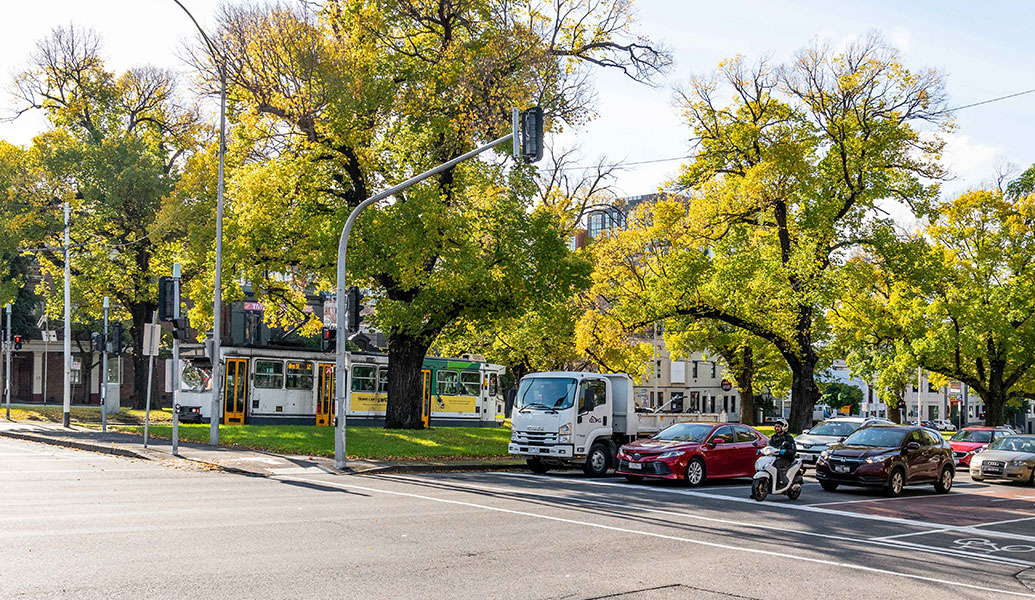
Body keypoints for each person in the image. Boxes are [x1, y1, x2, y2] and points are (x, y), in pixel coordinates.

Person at [768, 418, 796, 489]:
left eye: (779, 427)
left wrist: (785, 451)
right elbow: (768, 445)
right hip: (774, 456)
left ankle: (782, 481)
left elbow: (793, 450)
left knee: (776, 463)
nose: (777, 428)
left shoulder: (788, 438)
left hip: (786, 458)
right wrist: (761, 450)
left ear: (784, 427)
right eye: (776, 426)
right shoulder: (773, 437)